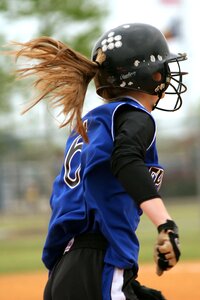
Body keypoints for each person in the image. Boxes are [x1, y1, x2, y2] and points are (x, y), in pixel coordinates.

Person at [9, 23, 187, 300]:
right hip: (100, 264)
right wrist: (166, 224)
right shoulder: (135, 116)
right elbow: (126, 161)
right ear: (148, 75)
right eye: (160, 68)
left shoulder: (91, 124)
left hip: (65, 268)